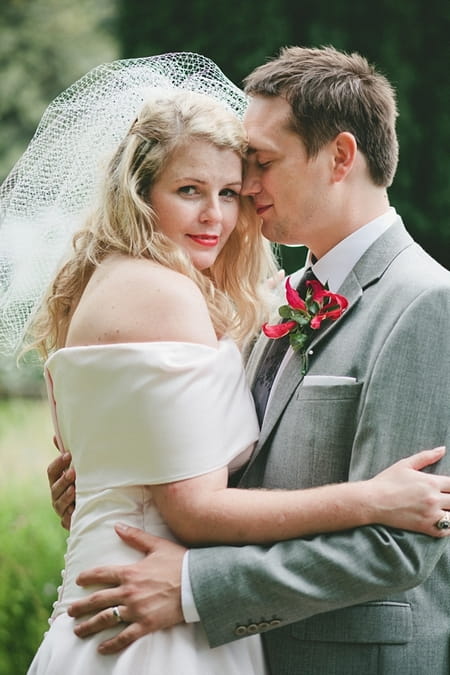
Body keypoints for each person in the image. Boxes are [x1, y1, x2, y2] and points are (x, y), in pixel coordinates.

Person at [1, 55, 444, 675]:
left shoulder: (426, 302)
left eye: (259, 165)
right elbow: (210, 474)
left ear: (341, 158)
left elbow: (400, 544)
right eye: (196, 188)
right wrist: (125, 475)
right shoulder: (262, 299)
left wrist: (193, 586)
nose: (246, 190)